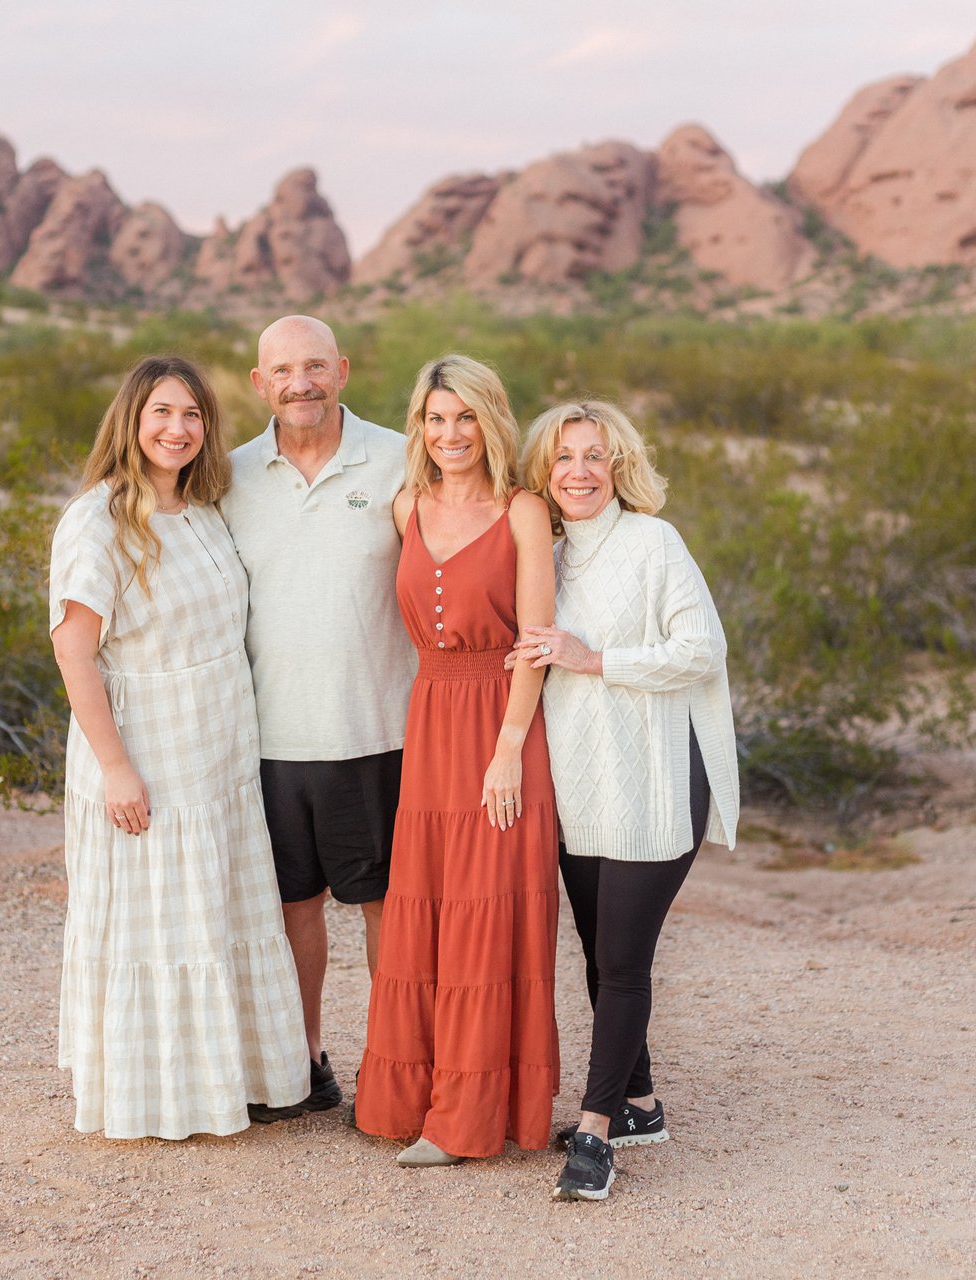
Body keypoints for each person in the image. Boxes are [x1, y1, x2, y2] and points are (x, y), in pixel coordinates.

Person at [48, 355, 309, 1140]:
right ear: (131, 420)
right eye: (161, 412)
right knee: (157, 920)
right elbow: (73, 650)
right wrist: (115, 769)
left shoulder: (202, 509)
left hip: (217, 748)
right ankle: (157, 1096)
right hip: (147, 749)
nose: (178, 428)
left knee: (215, 911)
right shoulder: (98, 520)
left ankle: (234, 1081)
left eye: (192, 414)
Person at [511, 400, 740, 1202]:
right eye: (563, 456)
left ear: (619, 467)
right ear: (543, 470)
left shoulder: (653, 543)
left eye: (595, 456)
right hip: (579, 783)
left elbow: (702, 649)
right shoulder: (545, 557)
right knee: (597, 951)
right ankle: (638, 1104)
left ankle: (596, 1132)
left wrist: (593, 658)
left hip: (657, 780)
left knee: (623, 961)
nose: (578, 471)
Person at [354, 354, 559, 1167]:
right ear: (420, 427)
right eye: (436, 419)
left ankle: (467, 1119)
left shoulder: (524, 512)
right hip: (430, 721)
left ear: (491, 420)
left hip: (502, 726)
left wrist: (508, 749)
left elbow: (535, 643)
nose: (451, 434)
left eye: (466, 417)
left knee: (485, 915)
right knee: (428, 909)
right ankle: (413, 1101)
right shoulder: (406, 506)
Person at [220, 316, 416, 1118]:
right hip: (269, 741)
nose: (299, 383)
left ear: (342, 369)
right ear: (259, 384)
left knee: (384, 909)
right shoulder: (229, 476)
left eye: (314, 366)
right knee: (290, 909)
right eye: (282, 371)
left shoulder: (400, 458)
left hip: (376, 730)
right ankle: (302, 1063)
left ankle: (396, 1067)